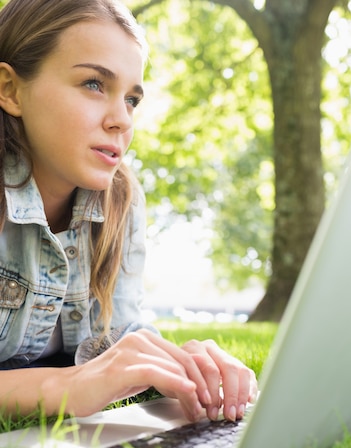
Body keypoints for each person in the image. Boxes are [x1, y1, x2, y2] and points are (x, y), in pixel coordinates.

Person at [0, 0, 257, 423]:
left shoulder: (120, 200)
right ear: (10, 90)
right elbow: (81, 379)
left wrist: (183, 363)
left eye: (133, 99)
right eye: (94, 84)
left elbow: (116, 336)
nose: (122, 120)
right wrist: (61, 387)